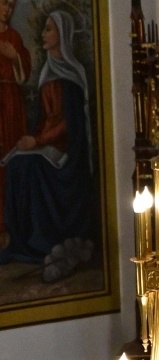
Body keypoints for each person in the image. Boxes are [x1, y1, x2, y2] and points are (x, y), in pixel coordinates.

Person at [2, 11, 93, 271]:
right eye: (44, 29)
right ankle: (20, 242)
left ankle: (41, 241)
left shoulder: (71, 76)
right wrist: (30, 139)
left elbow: (69, 125)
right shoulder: (47, 73)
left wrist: (38, 140)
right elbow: (44, 117)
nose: (43, 34)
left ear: (61, 36)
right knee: (16, 164)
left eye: (49, 30)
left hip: (65, 152)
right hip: (47, 145)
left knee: (30, 167)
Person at [0, 0, 31, 250]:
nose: (7, 10)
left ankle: (11, 227)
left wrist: (15, 57)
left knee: (9, 160)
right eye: (3, 5)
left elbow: (24, 75)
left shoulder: (13, 37)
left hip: (10, 104)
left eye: (11, 7)